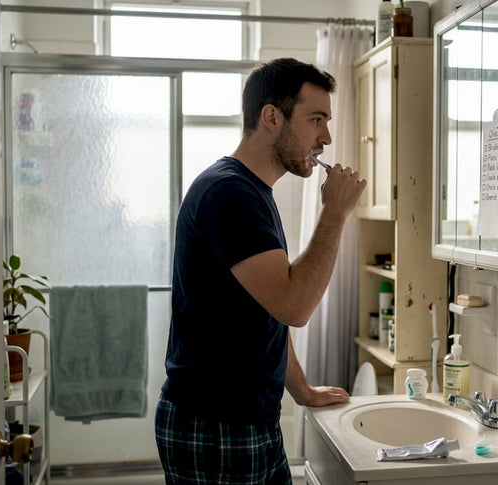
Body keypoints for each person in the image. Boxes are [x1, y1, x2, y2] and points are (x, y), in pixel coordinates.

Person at [155, 58, 367, 484]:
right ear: (271, 116)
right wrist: (336, 212)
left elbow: (267, 312)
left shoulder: (252, 191)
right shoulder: (229, 193)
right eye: (315, 119)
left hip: (249, 421)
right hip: (217, 427)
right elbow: (295, 306)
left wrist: (302, 391)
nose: (325, 138)